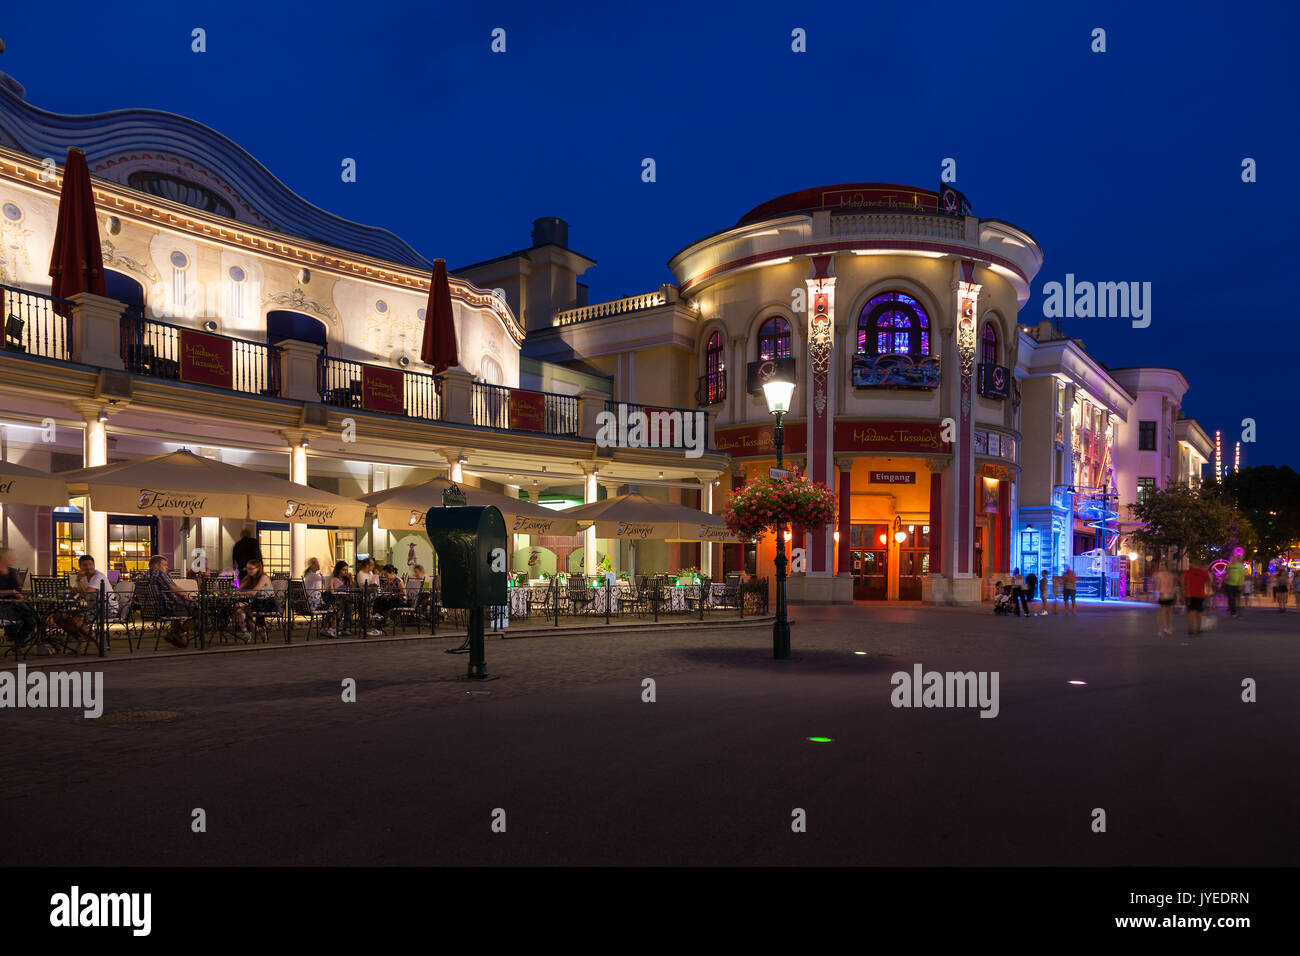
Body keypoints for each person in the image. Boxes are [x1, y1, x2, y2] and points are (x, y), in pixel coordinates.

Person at [53, 554, 119, 652]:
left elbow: (86, 595)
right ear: (80, 567)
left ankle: (99, 644)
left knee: (77, 619)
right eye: (85, 565)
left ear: (94, 565)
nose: (88, 567)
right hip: (93, 608)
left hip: (108, 608)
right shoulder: (83, 577)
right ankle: (80, 639)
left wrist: (78, 580)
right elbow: (74, 592)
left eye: (90, 564)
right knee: (59, 617)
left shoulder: (98, 576)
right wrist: (66, 594)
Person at [145, 554, 199, 648]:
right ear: (157, 566)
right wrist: (188, 596)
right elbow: (174, 588)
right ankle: (176, 633)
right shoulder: (159, 574)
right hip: (167, 608)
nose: (167, 567)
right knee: (199, 611)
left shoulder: (145, 575)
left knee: (182, 607)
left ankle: (175, 635)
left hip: (153, 608)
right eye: (165, 565)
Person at [0, 547, 39, 649]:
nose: (12, 558)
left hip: (15, 603)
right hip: (3, 605)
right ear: (2, 558)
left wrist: (20, 595)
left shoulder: (12, 572)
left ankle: (17, 641)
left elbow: (17, 589)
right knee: (16, 621)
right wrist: (12, 592)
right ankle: (15, 641)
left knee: (33, 619)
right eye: (9, 557)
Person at [232, 558, 276, 640]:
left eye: (251, 569)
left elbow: (253, 592)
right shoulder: (250, 578)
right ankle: (247, 632)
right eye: (247, 568)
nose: (249, 571)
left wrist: (240, 593)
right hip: (257, 602)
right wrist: (235, 584)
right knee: (238, 608)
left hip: (266, 604)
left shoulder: (264, 577)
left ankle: (256, 630)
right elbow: (239, 588)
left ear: (258, 568)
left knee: (242, 608)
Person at [1182, 560, 1212, 636]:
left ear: (1194, 565)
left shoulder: (1188, 573)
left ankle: (1191, 629)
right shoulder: (1204, 573)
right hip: (1200, 595)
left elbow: (1183, 584)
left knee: (1191, 612)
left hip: (1189, 595)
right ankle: (1199, 628)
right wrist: (1207, 594)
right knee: (1199, 613)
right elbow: (1208, 584)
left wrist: (1183, 594)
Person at [1154, 562, 1178, 635]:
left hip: (1163, 594)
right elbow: (1174, 586)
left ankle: (1163, 628)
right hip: (1171, 594)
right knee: (1170, 612)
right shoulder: (1172, 575)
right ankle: (1169, 628)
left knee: (1163, 612)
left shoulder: (1160, 575)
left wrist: (1156, 596)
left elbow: (1158, 586)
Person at [1224, 550, 1245, 618]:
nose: (1233, 558)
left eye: (1235, 557)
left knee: (1236, 598)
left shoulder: (1241, 566)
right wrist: (1221, 582)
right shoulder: (1228, 566)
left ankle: (1236, 610)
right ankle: (1233, 611)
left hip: (1237, 584)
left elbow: (1242, 576)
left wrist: (1241, 584)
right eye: (1232, 557)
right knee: (1231, 598)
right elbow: (1225, 574)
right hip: (1229, 584)